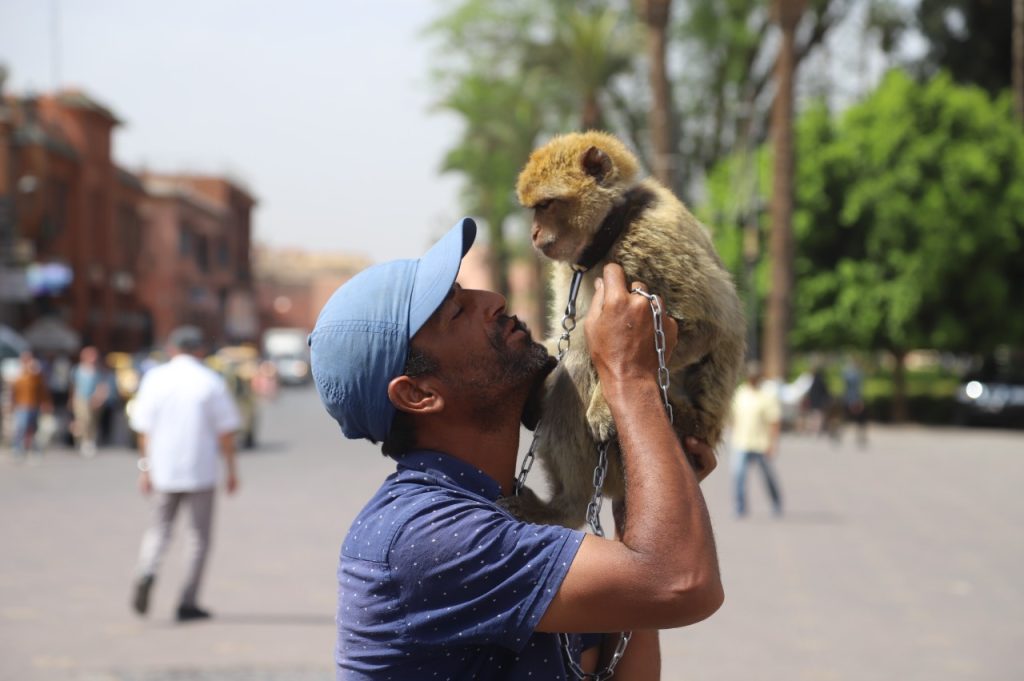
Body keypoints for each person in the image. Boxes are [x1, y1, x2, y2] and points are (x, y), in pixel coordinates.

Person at [308, 218, 722, 679]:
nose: (493, 300)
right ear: (418, 395)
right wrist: (629, 376)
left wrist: (640, 494)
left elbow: (639, 634)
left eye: (470, 292)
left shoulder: (504, 516)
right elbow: (681, 584)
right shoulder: (424, 535)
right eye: (457, 312)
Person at [129, 325, 241, 622]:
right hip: (200, 470)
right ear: (200, 350)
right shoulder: (209, 381)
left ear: (172, 349)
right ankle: (187, 600)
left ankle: (147, 570)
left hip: (163, 469)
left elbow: (143, 429)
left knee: (159, 529)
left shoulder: (155, 378)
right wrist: (231, 470)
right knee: (197, 538)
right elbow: (226, 432)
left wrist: (145, 467)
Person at [729, 361, 783, 518]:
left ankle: (776, 502)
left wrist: (773, 443)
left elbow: (774, 421)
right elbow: (733, 416)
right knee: (738, 475)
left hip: (760, 443)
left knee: (767, 476)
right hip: (741, 441)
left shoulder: (766, 396)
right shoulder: (741, 393)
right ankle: (739, 507)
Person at [9, 351, 52, 460]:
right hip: (22, 405)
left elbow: (42, 390)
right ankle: (17, 448)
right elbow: (13, 391)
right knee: (21, 427)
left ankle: (31, 448)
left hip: (34, 404)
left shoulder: (36, 374)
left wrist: (45, 402)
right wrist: (12, 404)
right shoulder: (18, 374)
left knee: (33, 427)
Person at [68, 346, 110, 457]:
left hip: (94, 399)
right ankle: (84, 441)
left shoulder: (98, 370)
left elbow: (102, 385)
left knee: (92, 421)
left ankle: (90, 441)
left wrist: (99, 397)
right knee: (83, 419)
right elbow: (74, 386)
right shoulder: (77, 370)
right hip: (81, 398)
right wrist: (71, 399)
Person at [842, 358, 868, 447]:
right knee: (860, 418)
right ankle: (860, 436)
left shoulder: (847, 373)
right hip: (855, 398)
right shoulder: (857, 375)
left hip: (848, 397)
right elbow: (859, 388)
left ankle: (839, 434)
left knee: (848, 417)